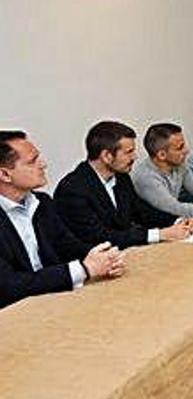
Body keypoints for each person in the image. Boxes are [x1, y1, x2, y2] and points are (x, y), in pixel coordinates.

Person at [0, 131, 125, 308]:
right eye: (32, 161)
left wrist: (103, 258)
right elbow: (8, 285)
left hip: (52, 299)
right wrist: (83, 269)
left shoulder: (42, 202)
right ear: (5, 175)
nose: (43, 164)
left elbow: (67, 245)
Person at [54, 121, 193, 249]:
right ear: (107, 156)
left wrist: (176, 221)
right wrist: (159, 234)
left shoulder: (121, 177)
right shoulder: (72, 189)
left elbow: (141, 211)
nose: (135, 157)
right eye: (129, 152)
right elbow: (99, 236)